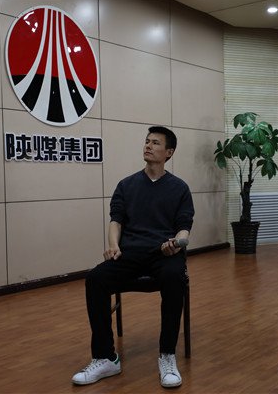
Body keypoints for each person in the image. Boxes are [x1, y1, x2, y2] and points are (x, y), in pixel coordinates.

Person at [72, 125, 194, 388]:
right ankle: (106, 358)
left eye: (156, 143)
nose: (148, 146)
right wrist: (113, 246)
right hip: (131, 253)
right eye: (147, 141)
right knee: (96, 279)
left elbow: (184, 227)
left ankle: (167, 355)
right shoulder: (126, 185)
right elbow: (115, 220)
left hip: (165, 254)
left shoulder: (179, 188)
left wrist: (177, 243)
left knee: (174, 277)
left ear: (169, 152)